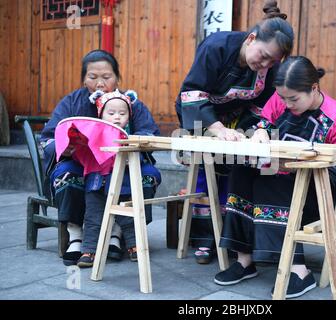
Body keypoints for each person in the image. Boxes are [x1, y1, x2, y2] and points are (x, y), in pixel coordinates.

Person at [214, 56, 336, 299]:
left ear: (314, 88)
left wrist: (293, 166)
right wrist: (259, 134)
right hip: (281, 177)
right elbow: (265, 124)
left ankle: (298, 270)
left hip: (323, 193)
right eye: (282, 98)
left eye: (293, 99)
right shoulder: (279, 102)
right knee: (241, 170)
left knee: (274, 181)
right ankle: (245, 259)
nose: (287, 104)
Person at [175, 0, 294, 264]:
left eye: (271, 62)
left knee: (240, 166)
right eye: (262, 56)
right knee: (208, 171)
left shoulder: (270, 67)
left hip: (239, 116)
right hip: (201, 111)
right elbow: (192, 92)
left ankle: (230, 238)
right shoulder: (217, 46)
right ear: (251, 39)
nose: (264, 66)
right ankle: (205, 239)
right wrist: (217, 129)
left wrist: (262, 130)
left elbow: (264, 105)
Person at [40, 50, 160, 266]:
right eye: (92, 77)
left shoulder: (131, 104)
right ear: (84, 78)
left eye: (107, 77)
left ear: (117, 77)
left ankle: (118, 233)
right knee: (67, 175)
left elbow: (150, 134)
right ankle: (76, 236)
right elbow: (49, 137)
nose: (99, 83)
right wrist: (66, 148)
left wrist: (130, 142)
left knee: (147, 176)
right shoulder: (71, 102)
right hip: (79, 164)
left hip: (123, 164)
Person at [72, 89, 161, 267]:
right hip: (96, 184)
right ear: (101, 114)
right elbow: (80, 154)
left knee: (129, 217)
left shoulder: (131, 138)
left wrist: (131, 151)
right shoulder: (92, 134)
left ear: (129, 115)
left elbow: (141, 157)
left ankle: (135, 247)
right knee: (93, 217)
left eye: (122, 113)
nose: (117, 117)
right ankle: (88, 250)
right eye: (111, 113)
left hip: (124, 184)